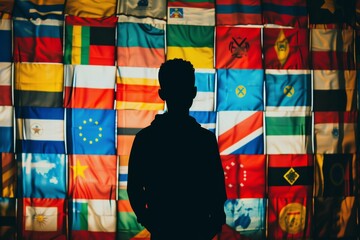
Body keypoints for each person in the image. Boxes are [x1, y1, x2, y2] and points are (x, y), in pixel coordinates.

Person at [127, 58, 227, 240]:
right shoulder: (204, 140)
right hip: (197, 229)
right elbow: (217, 190)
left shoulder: (145, 139)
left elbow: (134, 189)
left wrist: (151, 221)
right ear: (193, 93)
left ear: (162, 93)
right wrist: (211, 224)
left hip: (163, 229)